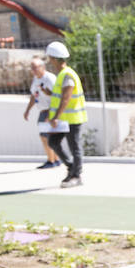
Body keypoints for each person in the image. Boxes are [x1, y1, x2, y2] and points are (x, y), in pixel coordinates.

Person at [43, 40, 86, 188]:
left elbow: (66, 98)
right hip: (64, 119)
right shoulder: (62, 75)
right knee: (53, 142)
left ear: (54, 58)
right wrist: (49, 93)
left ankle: (76, 175)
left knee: (75, 146)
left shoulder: (67, 75)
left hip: (72, 118)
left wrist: (55, 117)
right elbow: (59, 97)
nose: (49, 61)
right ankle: (71, 167)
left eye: (50, 58)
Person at [22, 57, 63, 170]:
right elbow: (33, 95)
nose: (33, 70)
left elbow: (57, 94)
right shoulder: (36, 79)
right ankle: (55, 159)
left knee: (46, 136)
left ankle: (52, 160)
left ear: (42, 67)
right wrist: (27, 110)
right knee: (46, 136)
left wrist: (52, 113)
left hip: (50, 110)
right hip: (43, 110)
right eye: (32, 68)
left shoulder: (49, 78)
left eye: (35, 67)